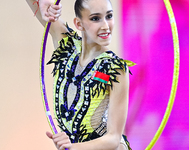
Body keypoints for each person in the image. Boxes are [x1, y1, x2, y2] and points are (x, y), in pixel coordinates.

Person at [26, 0, 134, 149]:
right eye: (95, 18)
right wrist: (43, 2)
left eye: (109, 16)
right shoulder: (66, 44)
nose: (105, 25)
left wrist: (72, 147)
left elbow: (114, 138)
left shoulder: (116, 68)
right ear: (78, 23)